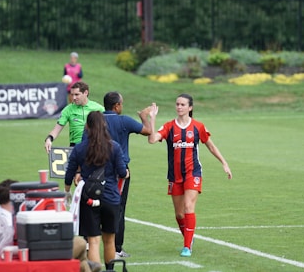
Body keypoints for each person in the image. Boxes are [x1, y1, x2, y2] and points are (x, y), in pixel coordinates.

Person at [148, 94, 232, 257]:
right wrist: (152, 119)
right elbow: (152, 140)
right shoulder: (169, 126)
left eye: (183, 105)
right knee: (179, 214)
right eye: (177, 104)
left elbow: (211, 146)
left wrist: (224, 163)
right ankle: (189, 238)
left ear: (190, 108)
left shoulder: (198, 127)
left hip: (193, 173)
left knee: (188, 207)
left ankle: (187, 246)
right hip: (174, 175)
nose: (179, 107)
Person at [64, 111, 128, 271]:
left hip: (89, 198)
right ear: (104, 125)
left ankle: (95, 270)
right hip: (111, 197)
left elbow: (70, 172)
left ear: (87, 126)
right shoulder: (114, 147)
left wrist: (67, 191)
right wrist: (125, 173)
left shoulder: (80, 148)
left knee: (93, 241)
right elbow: (122, 172)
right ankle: (110, 270)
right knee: (110, 240)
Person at [102, 91, 153, 258]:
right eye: (121, 104)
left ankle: (92, 243)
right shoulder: (123, 121)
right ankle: (116, 248)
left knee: (95, 206)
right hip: (119, 171)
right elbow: (148, 131)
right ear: (116, 106)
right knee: (118, 208)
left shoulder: (96, 120)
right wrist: (144, 116)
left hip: (97, 169)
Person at [44, 81, 104, 153]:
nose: (74, 98)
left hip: (94, 147)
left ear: (86, 93)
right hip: (75, 148)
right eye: (72, 95)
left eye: (77, 94)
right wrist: (49, 139)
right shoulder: (68, 110)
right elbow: (56, 129)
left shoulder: (99, 108)